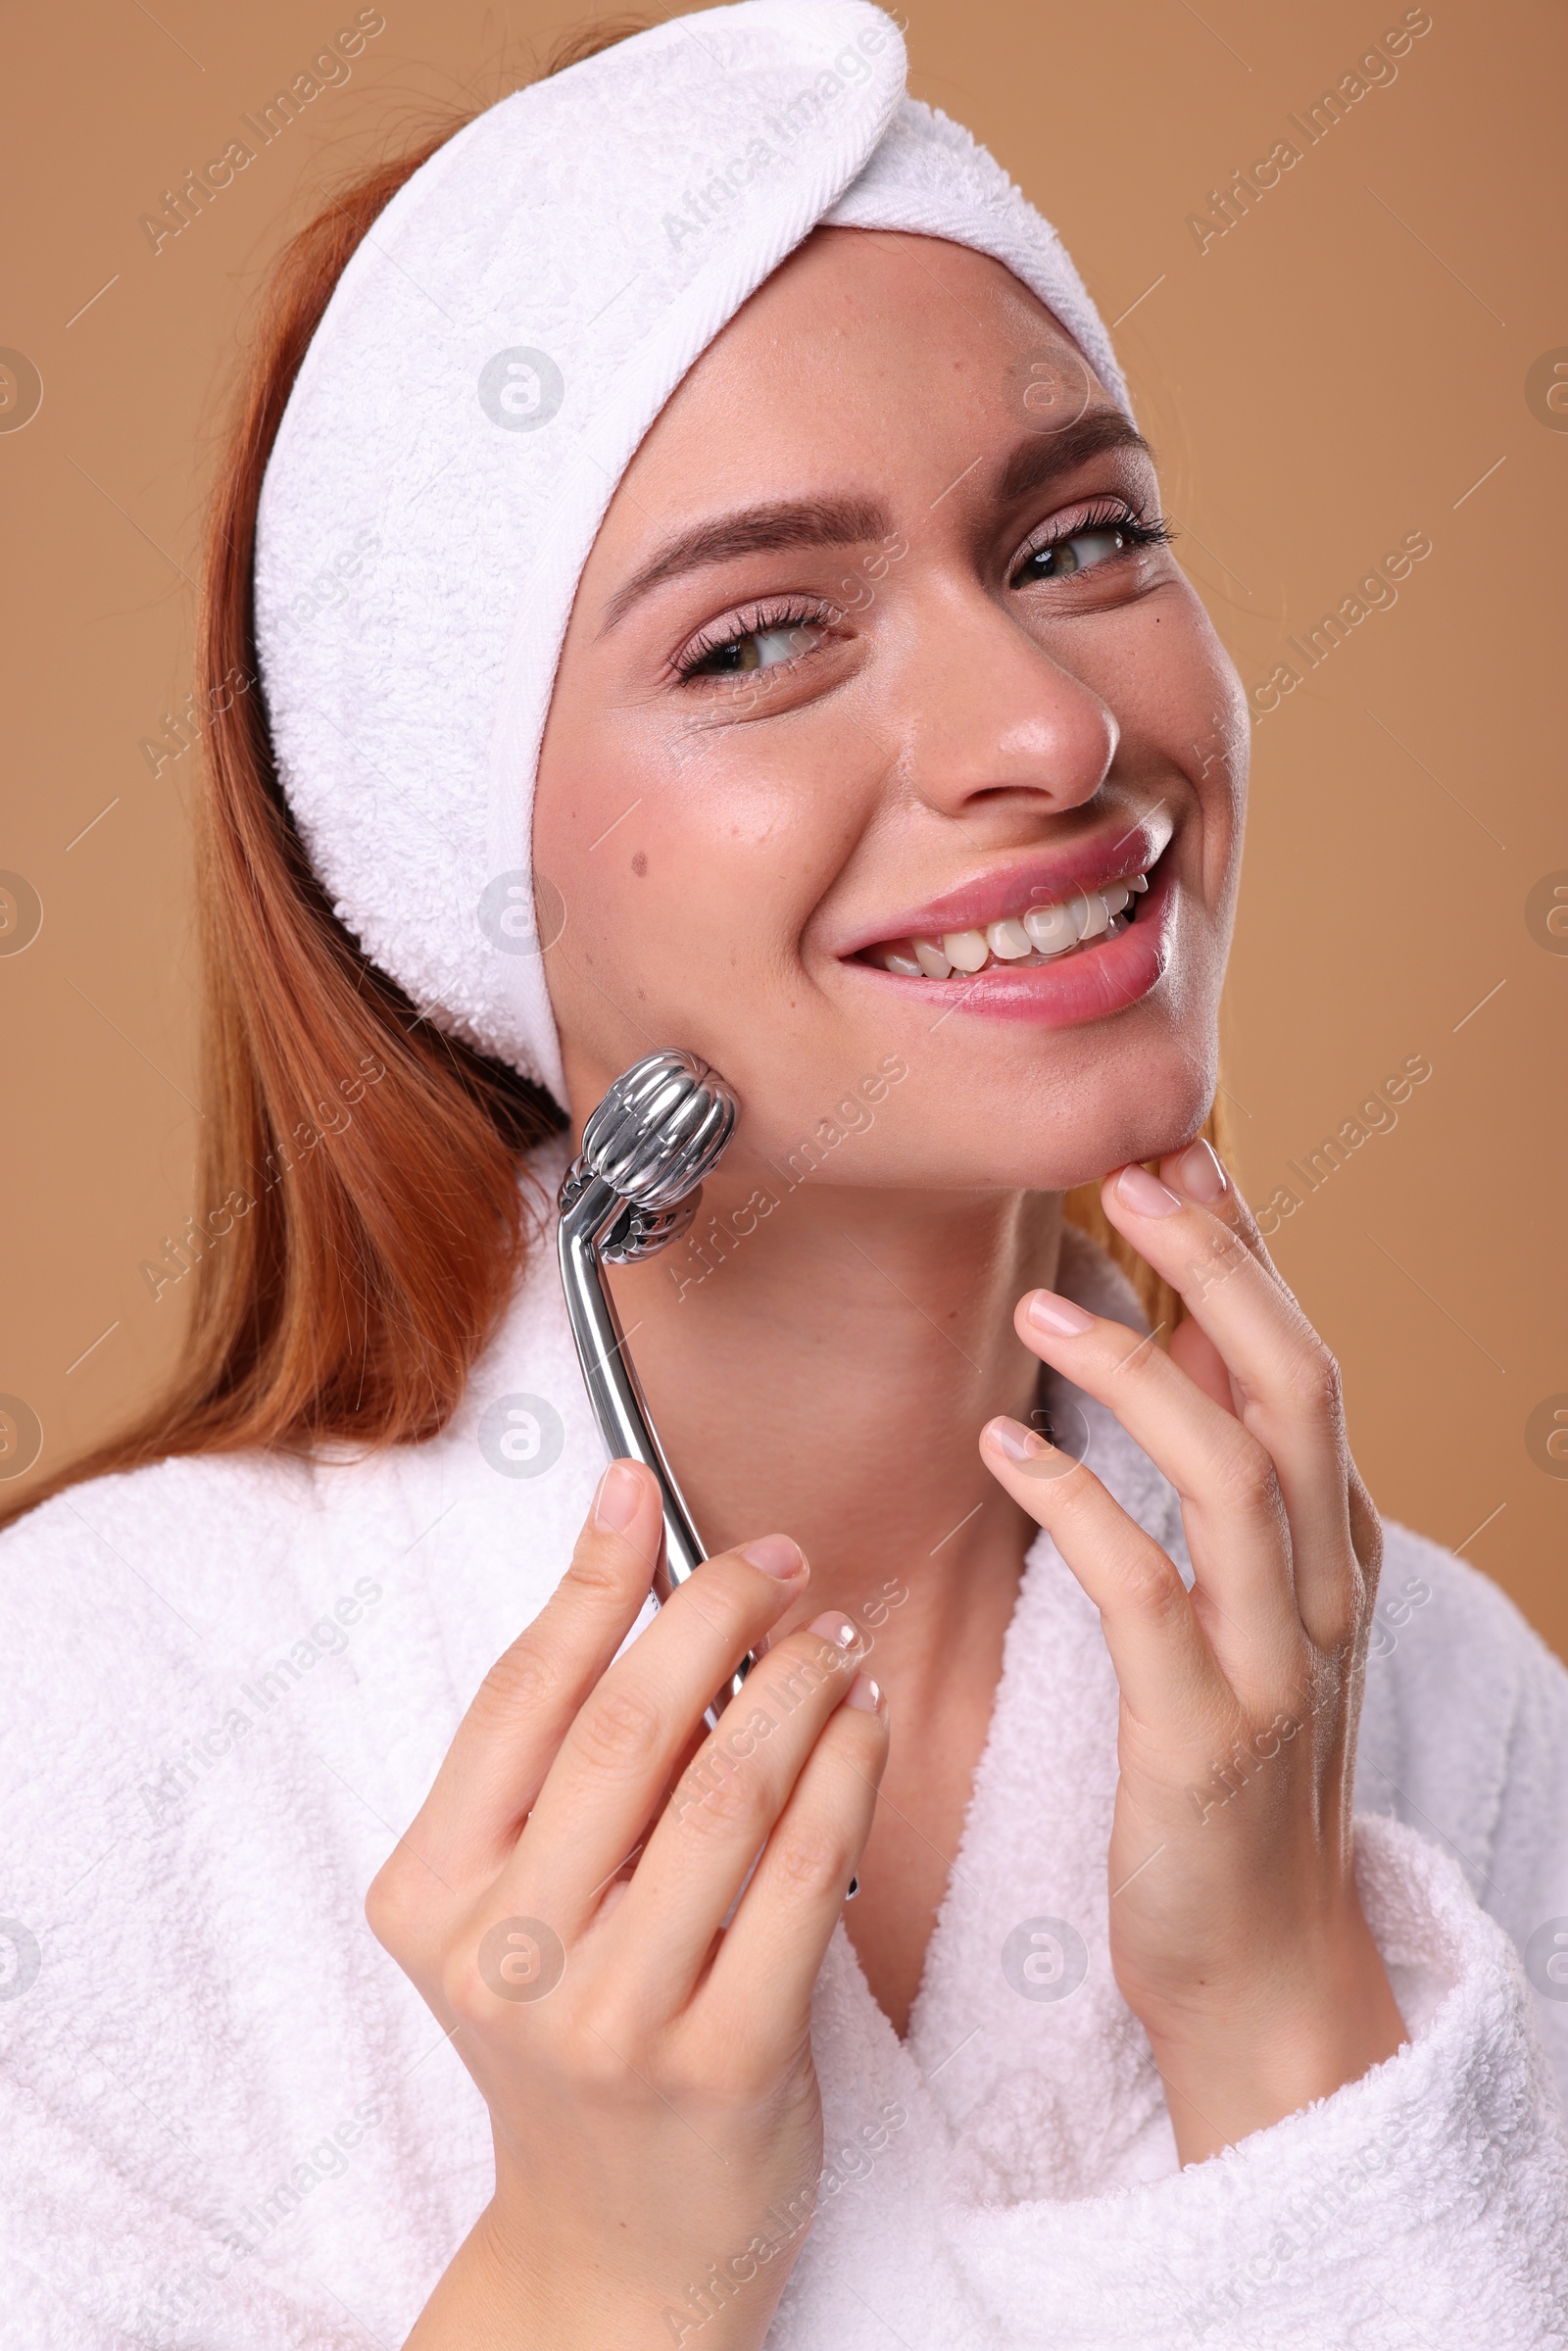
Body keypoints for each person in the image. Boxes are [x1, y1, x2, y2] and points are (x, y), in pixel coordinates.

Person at [3, 7, 1565, 2347]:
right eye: (755, 639)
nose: (1050, 727)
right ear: (455, 865)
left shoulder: (1446, 1712)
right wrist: (599, 2280)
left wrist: (1281, 2024)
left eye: (1079, 538)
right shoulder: (89, 1745)